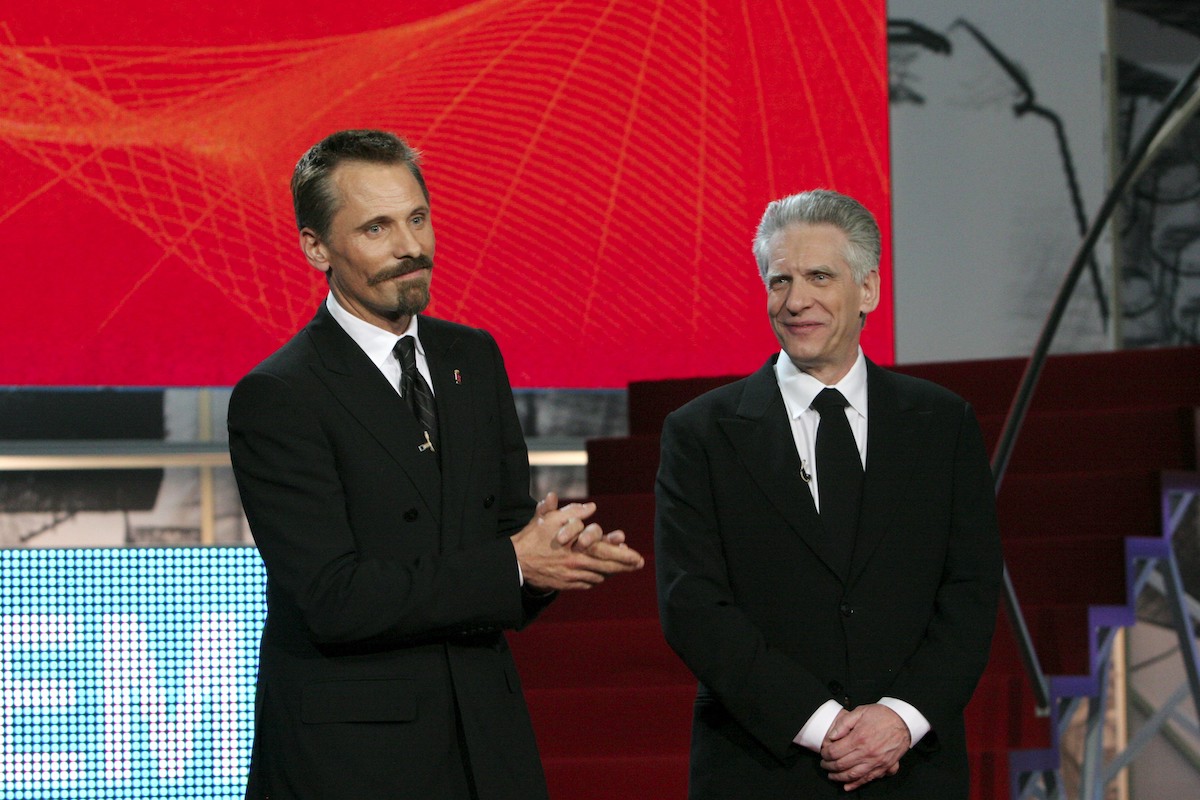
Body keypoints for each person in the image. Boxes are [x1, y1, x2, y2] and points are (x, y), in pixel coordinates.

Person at [228, 129, 644, 800]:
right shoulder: (280, 395)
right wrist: (514, 562)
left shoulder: (473, 357)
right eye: (377, 228)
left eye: (418, 218)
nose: (411, 247)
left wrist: (552, 557)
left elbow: (504, 535)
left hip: (485, 738)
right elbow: (333, 597)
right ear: (316, 247)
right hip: (355, 758)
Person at [654, 189, 1002, 798]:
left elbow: (970, 591)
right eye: (779, 280)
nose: (796, 301)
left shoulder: (942, 424)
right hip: (760, 767)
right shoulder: (699, 433)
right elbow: (693, 606)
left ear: (867, 289)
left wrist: (902, 716)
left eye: (819, 276)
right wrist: (821, 725)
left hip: (912, 767)